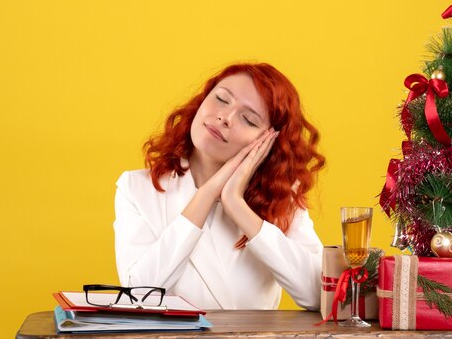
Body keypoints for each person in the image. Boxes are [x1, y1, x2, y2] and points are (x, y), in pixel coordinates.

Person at [113, 62, 326, 310]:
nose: (225, 117)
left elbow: (319, 295)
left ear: (268, 143)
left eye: (248, 119)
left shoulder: (281, 199)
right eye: (222, 99)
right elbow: (138, 295)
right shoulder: (137, 188)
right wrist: (207, 194)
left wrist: (235, 204)